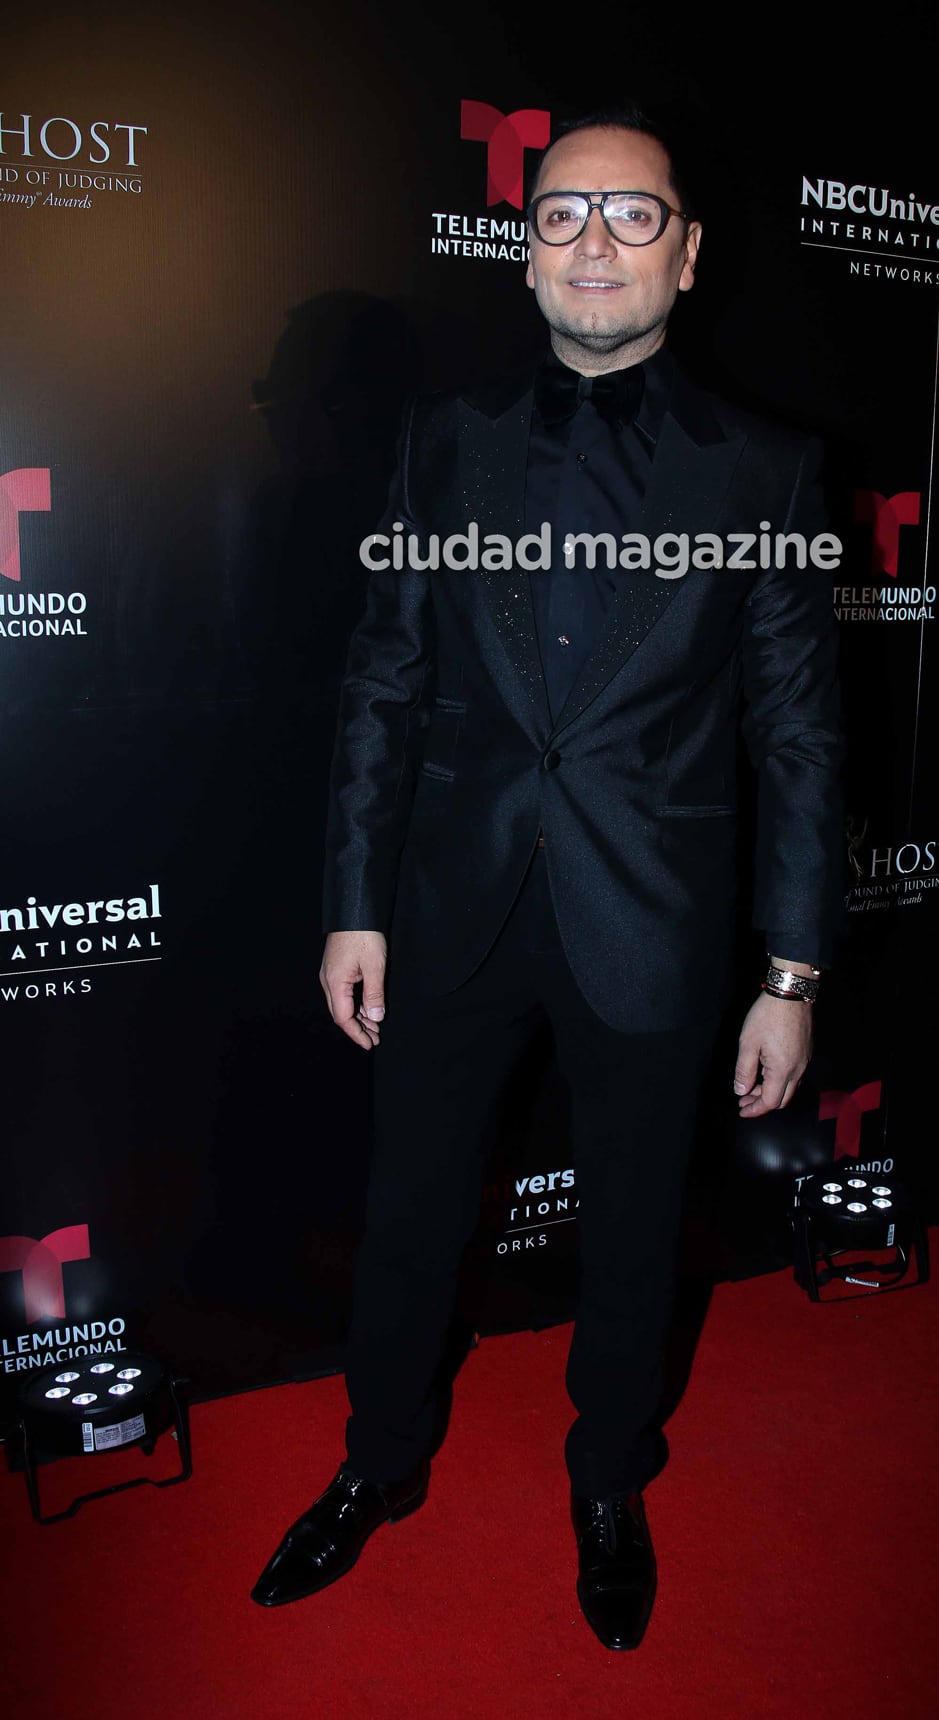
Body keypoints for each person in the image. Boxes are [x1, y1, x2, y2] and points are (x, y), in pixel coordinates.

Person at [251, 104, 843, 1650]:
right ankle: (377, 1468)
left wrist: (792, 973)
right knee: (407, 1220)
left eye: (633, 216)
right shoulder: (444, 444)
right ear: (523, 253)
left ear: (689, 254)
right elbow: (384, 680)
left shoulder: (771, 477)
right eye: (564, 214)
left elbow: (795, 736)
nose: (595, 242)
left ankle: (608, 1480)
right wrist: (354, 902)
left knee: (640, 1228)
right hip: (449, 912)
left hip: (653, 927)